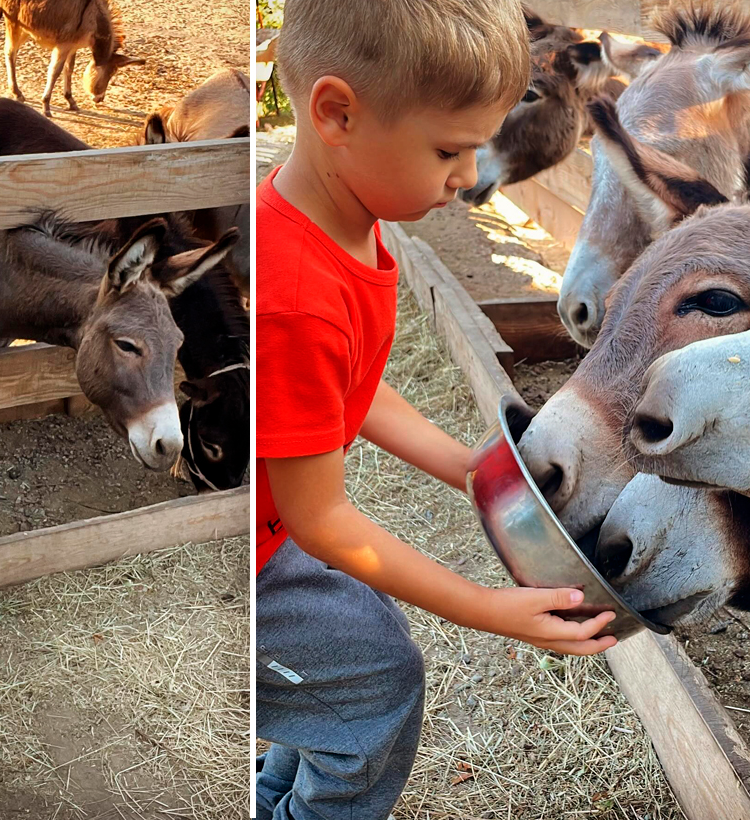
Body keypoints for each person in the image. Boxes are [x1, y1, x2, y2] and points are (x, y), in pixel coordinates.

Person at [255, 1, 619, 817]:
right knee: (381, 682)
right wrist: (490, 611)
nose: (466, 177)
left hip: (276, 528)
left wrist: (461, 464)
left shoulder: (349, 220)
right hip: (255, 556)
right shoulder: (296, 294)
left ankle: (271, 794)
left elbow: (350, 388)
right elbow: (325, 523)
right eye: (450, 151)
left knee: (352, 647)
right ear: (337, 113)